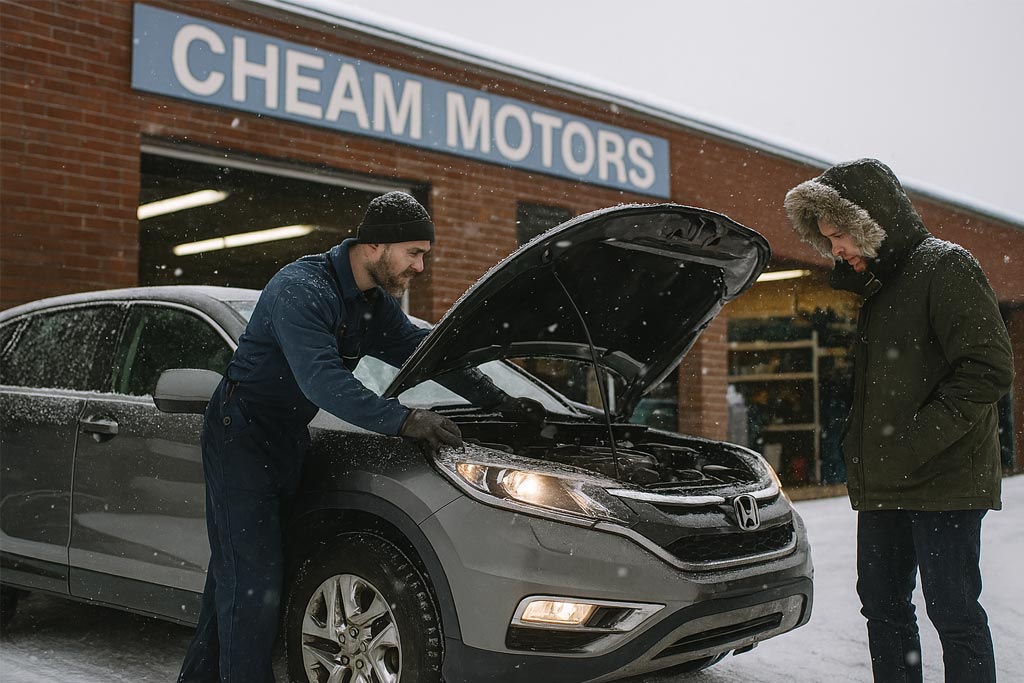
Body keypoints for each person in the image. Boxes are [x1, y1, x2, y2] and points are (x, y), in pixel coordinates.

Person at [179, 191, 469, 682]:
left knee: (235, 580)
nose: (421, 267)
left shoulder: (373, 305)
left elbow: (427, 354)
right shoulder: (302, 288)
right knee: (253, 584)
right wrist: (403, 419)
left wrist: (511, 400)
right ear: (375, 247)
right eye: (414, 253)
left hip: (288, 437)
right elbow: (323, 381)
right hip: (241, 434)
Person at [784, 158, 1013, 682]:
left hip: (944, 481)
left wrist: (913, 442)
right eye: (828, 239)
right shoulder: (877, 287)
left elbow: (988, 368)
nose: (835, 249)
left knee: (953, 613)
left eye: (840, 235)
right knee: (883, 607)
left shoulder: (946, 267)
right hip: (886, 481)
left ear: (871, 221)